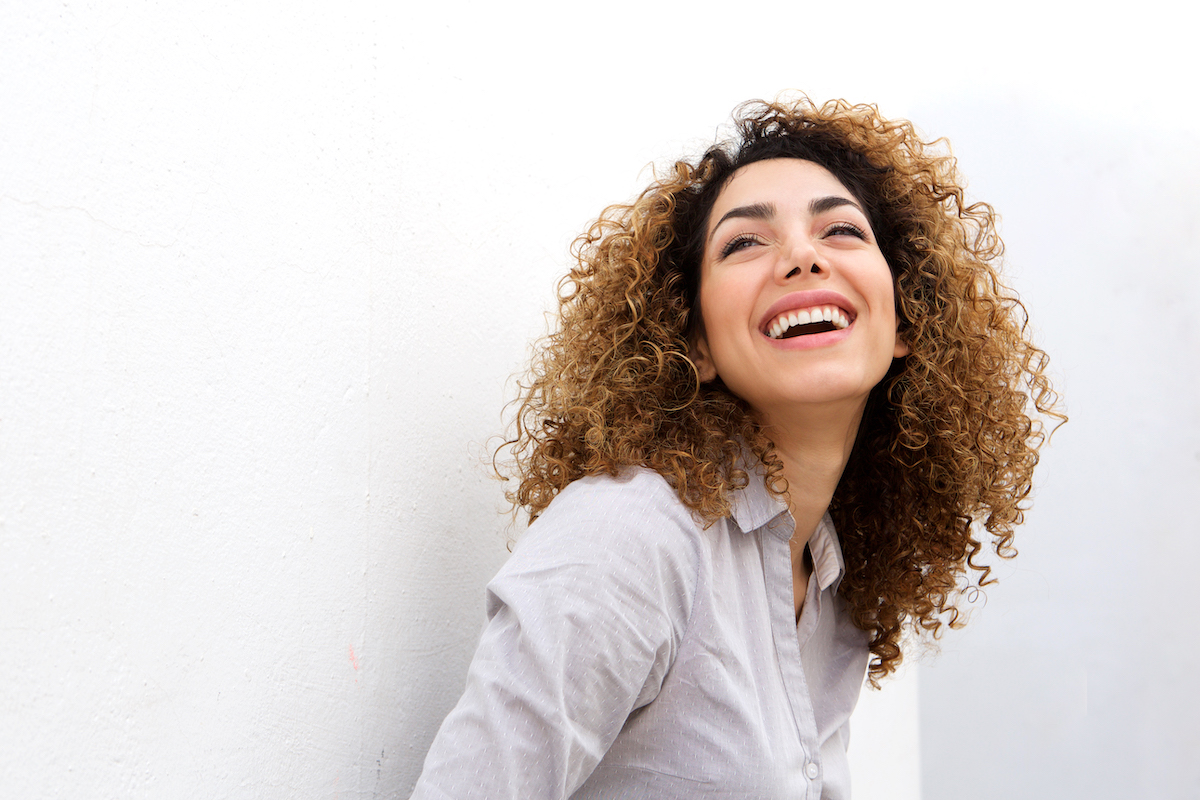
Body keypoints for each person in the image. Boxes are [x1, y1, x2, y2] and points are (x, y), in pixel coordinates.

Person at [408, 95, 1062, 799]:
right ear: (696, 343)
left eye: (840, 230)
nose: (802, 257)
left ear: (906, 321)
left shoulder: (831, 583)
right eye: (745, 243)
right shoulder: (631, 535)